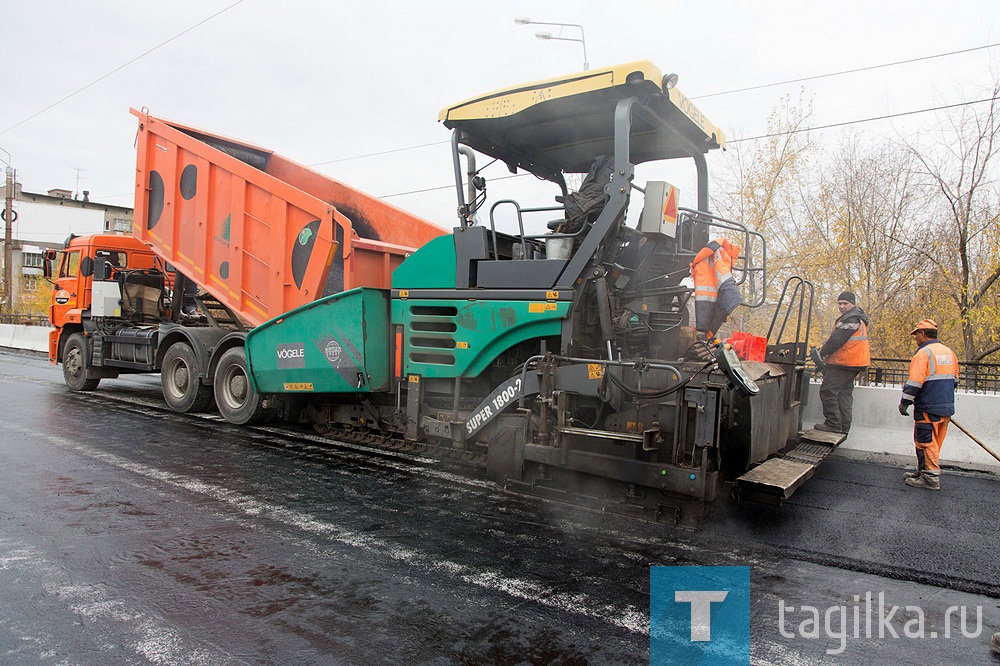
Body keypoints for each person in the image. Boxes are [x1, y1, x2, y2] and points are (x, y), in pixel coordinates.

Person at [898, 318, 959, 491]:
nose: (916, 339)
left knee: (925, 442)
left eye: (916, 335)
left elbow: (915, 382)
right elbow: (954, 381)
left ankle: (931, 478)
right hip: (945, 406)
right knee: (935, 442)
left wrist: (904, 403)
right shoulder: (949, 353)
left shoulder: (923, 354)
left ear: (922, 334)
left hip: (927, 406)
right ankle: (924, 472)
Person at [814, 291, 870, 434]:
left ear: (853, 304)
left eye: (845, 303)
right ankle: (844, 426)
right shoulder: (857, 317)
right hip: (853, 363)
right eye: (839, 303)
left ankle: (833, 424)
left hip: (844, 362)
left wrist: (821, 353)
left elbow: (836, 341)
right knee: (844, 393)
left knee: (828, 391)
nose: (842, 306)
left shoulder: (851, 319)